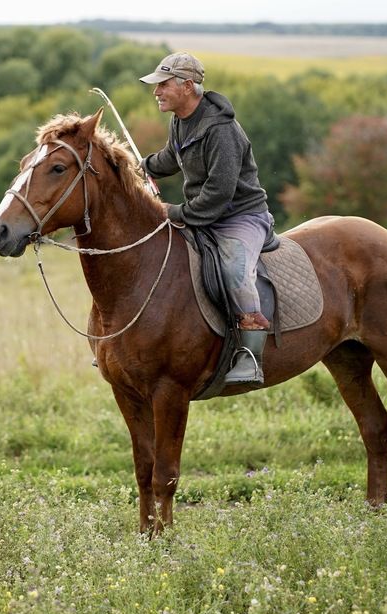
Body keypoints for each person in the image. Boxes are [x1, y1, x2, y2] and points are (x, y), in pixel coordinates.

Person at [139, 52, 274, 386]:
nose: (156, 92)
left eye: (164, 85)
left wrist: (175, 213)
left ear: (187, 86)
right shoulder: (181, 119)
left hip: (240, 217)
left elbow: (218, 193)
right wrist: (141, 166)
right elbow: (174, 156)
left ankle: (250, 357)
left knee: (234, 269)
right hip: (204, 215)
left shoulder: (221, 130)